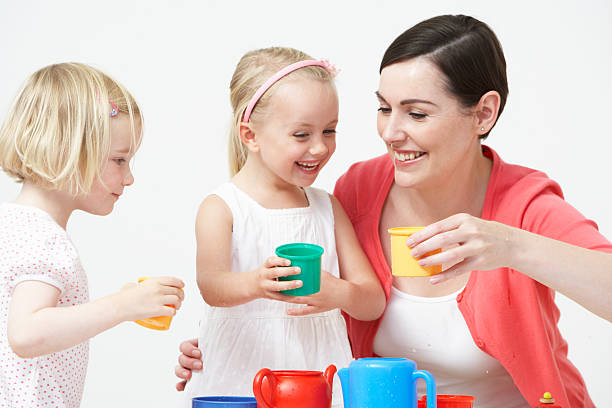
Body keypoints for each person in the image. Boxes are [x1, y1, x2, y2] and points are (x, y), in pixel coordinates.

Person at [175, 15, 612, 408]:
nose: (390, 132)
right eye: (384, 108)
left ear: (483, 113)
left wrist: (512, 246)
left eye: (416, 114)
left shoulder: (524, 203)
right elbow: (311, 307)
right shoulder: (359, 191)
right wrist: (232, 340)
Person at [180, 47, 385, 407]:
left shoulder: (326, 208)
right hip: (243, 371)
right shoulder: (223, 208)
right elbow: (211, 286)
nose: (320, 147)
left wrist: (336, 292)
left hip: (319, 371)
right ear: (251, 135)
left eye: (329, 130)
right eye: (301, 135)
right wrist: (254, 283)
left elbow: (372, 301)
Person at [0, 62, 185, 408]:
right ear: (65, 151)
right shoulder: (45, 239)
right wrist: (120, 307)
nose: (129, 178)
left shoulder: (10, 226)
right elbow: (25, 334)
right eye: (119, 160)